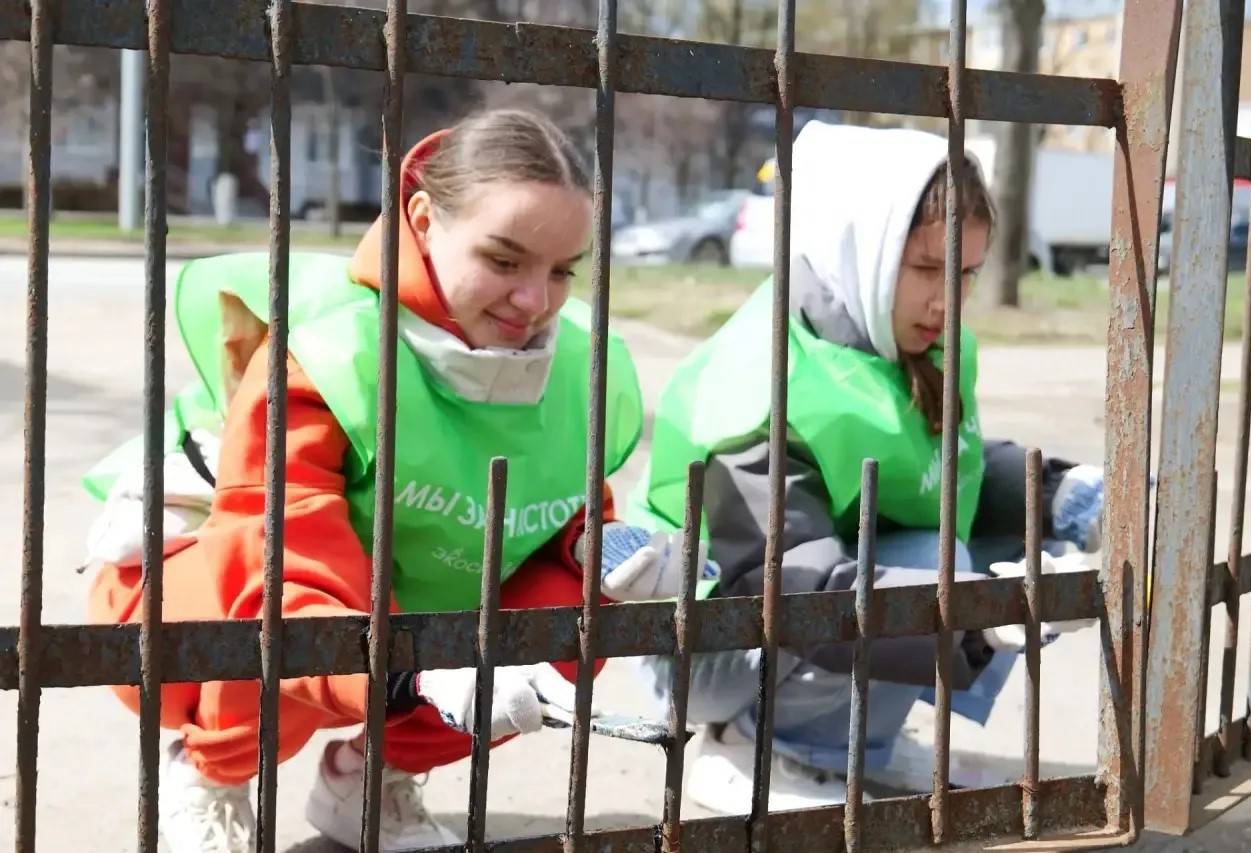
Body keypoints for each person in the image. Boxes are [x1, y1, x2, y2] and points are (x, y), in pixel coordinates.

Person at [82, 109, 713, 853]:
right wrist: (416, 678)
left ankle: (370, 777)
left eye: (563, 270)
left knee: (574, 615)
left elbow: (563, 505)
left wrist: (602, 547)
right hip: (211, 578)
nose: (535, 301)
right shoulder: (329, 355)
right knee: (251, 599)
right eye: (504, 260)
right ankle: (210, 771)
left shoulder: (579, 362)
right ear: (422, 217)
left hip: (407, 589)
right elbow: (280, 572)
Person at [627, 121, 1102, 813]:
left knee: (953, 544)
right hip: (708, 646)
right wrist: (982, 613)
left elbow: (937, 468)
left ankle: (852, 743)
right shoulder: (765, 378)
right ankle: (750, 748)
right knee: (933, 557)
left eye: (966, 274)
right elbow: (787, 579)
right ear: (862, 247)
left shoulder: (896, 334)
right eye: (926, 270)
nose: (950, 300)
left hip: (793, 609)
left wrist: (1059, 494)